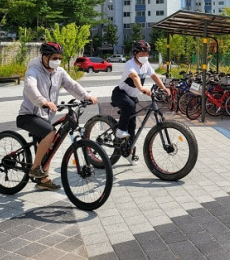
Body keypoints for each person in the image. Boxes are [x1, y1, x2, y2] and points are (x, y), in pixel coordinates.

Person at [17, 42, 98, 190]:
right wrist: (43, 102)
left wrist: (86, 96)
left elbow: (72, 85)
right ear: (45, 57)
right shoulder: (33, 71)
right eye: (55, 58)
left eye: (60, 58)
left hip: (45, 117)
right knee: (50, 132)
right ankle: (35, 167)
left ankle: (43, 180)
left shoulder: (59, 72)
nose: (58, 61)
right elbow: (30, 87)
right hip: (29, 115)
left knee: (51, 143)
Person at [111, 40, 170, 164]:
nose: (145, 56)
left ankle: (129, 152)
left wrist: (164, 88)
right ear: (135, 53)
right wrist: (142, 88)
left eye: (147, 53)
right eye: (142, 53)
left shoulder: (146, 64)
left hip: (132, 97)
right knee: (129, 105)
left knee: (132, 126)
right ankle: (120, 130)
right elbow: (135, 77)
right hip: (120, 94)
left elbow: (154, 76)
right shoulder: (130, 64)